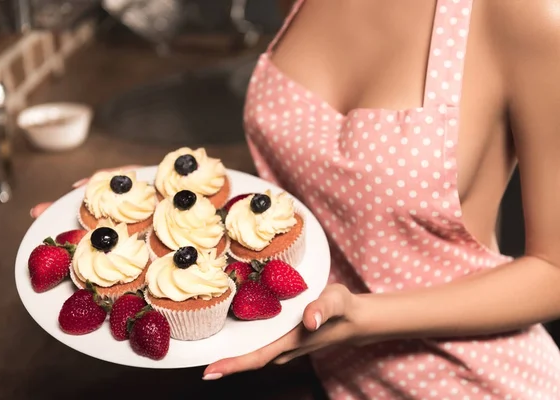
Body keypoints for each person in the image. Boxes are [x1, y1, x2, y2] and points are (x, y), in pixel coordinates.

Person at [33, 0, 560, 398]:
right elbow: (315, 176)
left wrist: (361, 318)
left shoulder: (525, 14)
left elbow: (553, 270)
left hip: (470, 381)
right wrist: (174, 194)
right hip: (320, 375)